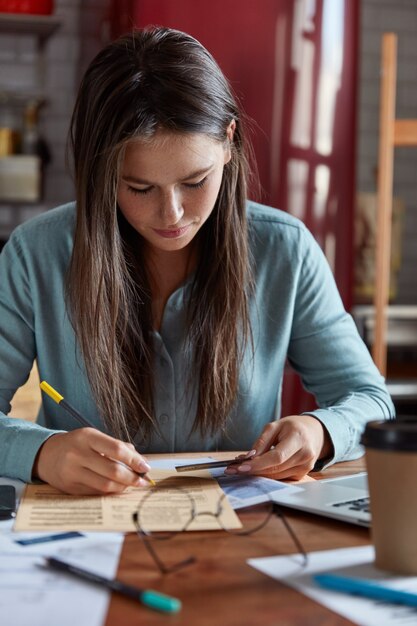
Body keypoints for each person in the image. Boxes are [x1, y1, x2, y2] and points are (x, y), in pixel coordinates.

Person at [0, 27, 394, 495]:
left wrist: (320, 432)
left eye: (194, 181)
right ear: (99, 172)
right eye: (139, 188)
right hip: (82, 533)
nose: (172, 215)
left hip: (243, 534)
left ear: (228, 142)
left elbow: (370, 400)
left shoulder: (285, 250)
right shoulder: (35, 253)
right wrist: (44, 452)